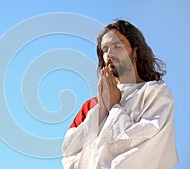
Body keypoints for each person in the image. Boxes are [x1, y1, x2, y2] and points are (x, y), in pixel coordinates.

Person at [61, 20, 178, 169]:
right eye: (105, 49)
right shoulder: (91, 107)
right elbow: (68, 151)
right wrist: (102, 110)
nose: (109, 54)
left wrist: (114, 107)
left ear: (135, 52)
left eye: (117, 46)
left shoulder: (154, 93)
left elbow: (146, 146)